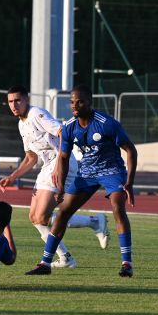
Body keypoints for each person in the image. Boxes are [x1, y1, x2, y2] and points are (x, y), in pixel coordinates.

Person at [26, 84, 138, 277]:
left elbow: (131, 150)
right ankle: (45, 263)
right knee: (63, 212)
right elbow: (63, 157)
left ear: (89, 102)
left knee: (118, 208)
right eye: (72, 102)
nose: (75, 106)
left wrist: (130, 181)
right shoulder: (69, 127)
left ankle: (126, 263)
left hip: (111, 170)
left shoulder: (106, 123)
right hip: (86, 173)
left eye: (80, 102)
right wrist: (61, 187)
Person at [0, 85, 109, 269]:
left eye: (17, 100)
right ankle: (67, 255)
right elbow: (31, 157)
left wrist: (59, 165)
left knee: (42, 216)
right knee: (35, 218)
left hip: (62, 162)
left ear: (26, 99)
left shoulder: (36, 114)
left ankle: (93, 224)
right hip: (47, 166)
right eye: (10, 101)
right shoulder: (21, 124)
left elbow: (62, 132)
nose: (14, 105)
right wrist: (12, 177)